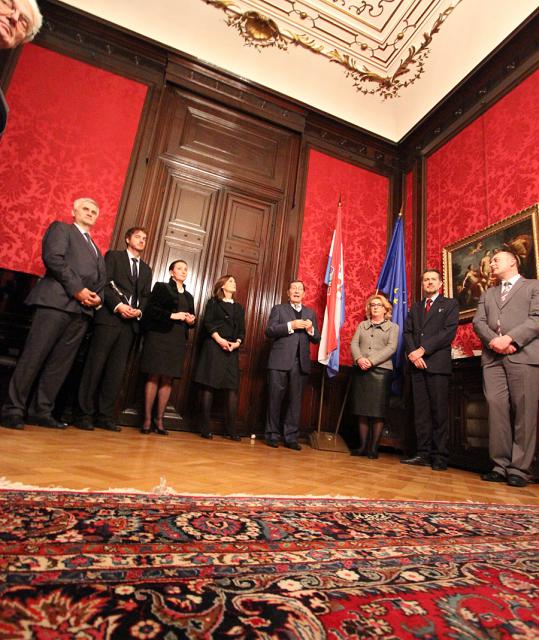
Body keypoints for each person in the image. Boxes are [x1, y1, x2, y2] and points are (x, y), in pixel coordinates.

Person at [0, 197, 106, 430]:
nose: (90, 213)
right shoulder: (61, 229)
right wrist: (78, 290)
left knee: (60, 365)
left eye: (94, 211)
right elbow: (53, 259)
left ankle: (41, 411)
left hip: (81, 312)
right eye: (86, 209)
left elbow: (102, 281)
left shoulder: (96, 249)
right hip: (55, 303)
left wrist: (98, 298)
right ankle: (12, 409)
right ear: (74, 211)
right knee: (34, 357)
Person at [473, 248, 539, 488]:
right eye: (490, 261)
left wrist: (510, 339)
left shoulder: (533, 286)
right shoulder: (488, 293)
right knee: (496, 408)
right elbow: (478, 321)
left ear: (513, 261)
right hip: (492, 360)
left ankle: (520, 469)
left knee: (524, 411)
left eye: (496, 259)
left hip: (523, 355)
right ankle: (500, 465)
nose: (491, 264)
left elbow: (537, 318)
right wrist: (494, 341)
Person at [76, 227, 152, 431]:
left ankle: (105, 416)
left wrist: (138, 312)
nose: (142, 240)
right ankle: (84, 414)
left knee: (115, 372)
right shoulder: (114, 257)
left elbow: (145, 296)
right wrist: (119, 306)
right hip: (109, 319)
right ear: (128, 239)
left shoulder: (146, 269)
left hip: (130, 327)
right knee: (95, 366)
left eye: (144, 238)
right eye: (138, 237)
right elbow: (105, 284)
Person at [401, 269, 459, 471]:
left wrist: (422, 350)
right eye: (426, 279)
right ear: (422, 284)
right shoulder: (415, 307)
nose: (429, 282)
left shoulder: (450, 304)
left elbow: (447, 333)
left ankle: (440, 457)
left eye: (433, 279)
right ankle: (423, 454)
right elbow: (407, 333)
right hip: (417, 366)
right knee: (421, 413)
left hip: (437, 365)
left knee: (439, 413)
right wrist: (413, 354)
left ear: (440, 283)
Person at [139, 260, 195, 435]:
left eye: (185, 269)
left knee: (168, 378)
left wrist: (191, 320)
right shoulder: (161, 287)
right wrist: (173, 315)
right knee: (154, 375)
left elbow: (191, 318)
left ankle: (160, 420)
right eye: (179, 268)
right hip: (159, 336)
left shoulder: (189, 296)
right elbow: (151, 311)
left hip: (177, 339)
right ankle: (147, 419)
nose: (183, 271)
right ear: (171, 272)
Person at [265, 280, 320, 450]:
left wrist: (310, 330)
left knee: (295, 402)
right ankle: (272, 435)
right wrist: (291, 326)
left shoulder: (310, 313)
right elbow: (270, 331)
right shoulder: (278, 309)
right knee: (274, 398)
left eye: (300, 289)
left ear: (304, 294)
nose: (296, 291)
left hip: (300, 362)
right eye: (293, 288)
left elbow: (316, 338)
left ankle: (290, 437)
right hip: (279, 361)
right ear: (288, 292)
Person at [193, 275, 245, 441]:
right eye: (230, 281)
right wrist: (219, 339)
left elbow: (242, 330)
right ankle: (205, 427)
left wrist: (237, 343)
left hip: (232, 350)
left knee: (231, 389)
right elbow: (208, 323)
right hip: (214, 348)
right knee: (208, 386)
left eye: (234, 281)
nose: (234, 283)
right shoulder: (213, 303)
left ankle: (231, 429)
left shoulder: (239, 307)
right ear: (222, 286)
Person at [349, 293, 399, 459]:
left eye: (379, 305)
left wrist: (370, 361)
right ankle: (362, 447)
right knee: (362, 410)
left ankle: (373, 448)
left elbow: (391, 348)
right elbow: (354, 343)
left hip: (381, 372)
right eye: (372, 305)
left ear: (386, 309)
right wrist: (359, 359)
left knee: (377, 411)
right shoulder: (362, 325)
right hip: (361, 370)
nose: (375, 307)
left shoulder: (393, 327)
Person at [0, 0, 43, 134]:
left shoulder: (0, 113)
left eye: (23, 22)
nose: (13, 17)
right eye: (7, 4)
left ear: (19, 42)